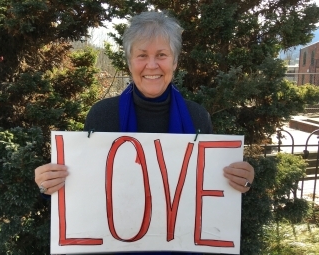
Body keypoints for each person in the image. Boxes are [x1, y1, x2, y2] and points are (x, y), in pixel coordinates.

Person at [35, 10, 254, 254]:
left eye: (161, 55)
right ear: (130, 62)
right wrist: (51, 185)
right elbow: (89, 192)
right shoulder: (102, 115)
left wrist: (239, 181)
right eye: (142, 55)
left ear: (175, 61)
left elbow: (207, 194)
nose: (152, 65)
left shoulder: (197, 116)